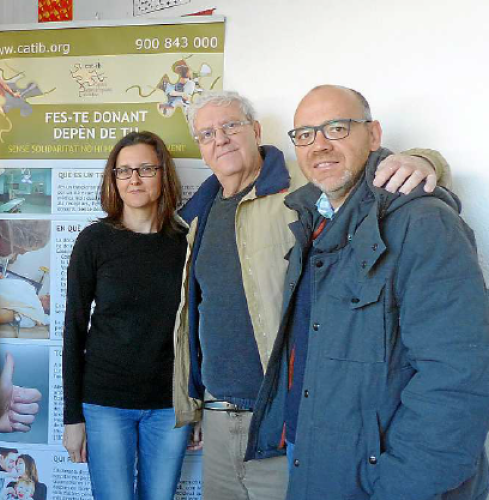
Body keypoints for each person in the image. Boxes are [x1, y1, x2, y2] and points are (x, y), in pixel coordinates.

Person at [172, 90, 451, 499]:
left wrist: (426, 161)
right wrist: (193, 402)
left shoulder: (303, 191)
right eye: (207, 133)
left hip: (283, 417)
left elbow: (367, 177)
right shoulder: (200, 212)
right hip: (217, 414)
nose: (221, 139)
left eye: (231, 126)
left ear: (256, 131)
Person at [247, 84, 489, 500]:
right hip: (316, 457)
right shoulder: (313, 221)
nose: (319, 145)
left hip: (384, 478)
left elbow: (457, 381)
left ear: (374, 135)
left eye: (336, 128)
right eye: (304, 134)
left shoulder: (424, 223)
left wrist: (400, 487)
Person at [63, 131, 190, 500]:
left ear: (163, 175)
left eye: (145, 169)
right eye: (124, 171)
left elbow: (196, 329)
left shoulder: (184, 243)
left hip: (169, 406)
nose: (134, 179)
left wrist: (194, 406)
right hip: (105, 403)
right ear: (113, 178)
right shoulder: (94, 240)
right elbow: (73, 329)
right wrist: (73, 417)